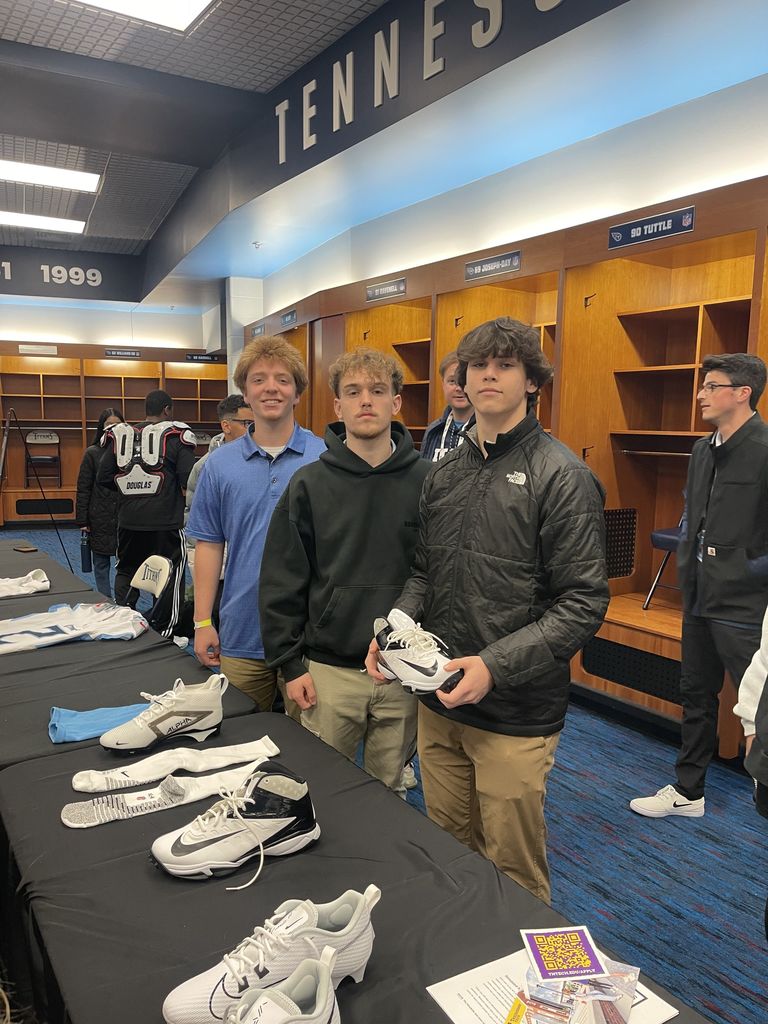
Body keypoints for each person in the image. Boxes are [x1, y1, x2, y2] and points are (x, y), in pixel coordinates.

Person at [367, 317, 609, 900]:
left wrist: (494, 667)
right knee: (448, 849)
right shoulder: (444, 473)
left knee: (516, 872)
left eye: (505, 365)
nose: (489, 376)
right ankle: (462, 972)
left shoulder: (563, 476)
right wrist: (394, 631)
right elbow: (424, 572)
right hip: (439, 698)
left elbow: (582, 602)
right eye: (478, 366)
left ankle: (543, 987)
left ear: (532, 381)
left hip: (515, 713)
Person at [259, 348, 431, 795]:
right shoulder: (309, 484)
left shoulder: (429, 482)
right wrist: (290, 665)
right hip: (327, 673)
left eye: (378, 391)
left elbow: (438, 573)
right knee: (322, 792)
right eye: (353, 392)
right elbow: (282, 580)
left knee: (390, 791)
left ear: (396, 403)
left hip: (403, 672)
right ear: (338, 406)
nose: (366, 402)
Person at [631, 353, 768, 819]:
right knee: (695, 695)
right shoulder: (701, 450)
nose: (701, 394)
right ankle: (689, 792)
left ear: (742, 392)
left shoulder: (766, 449)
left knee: (761, 705)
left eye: (711, 386)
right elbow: (693, 515)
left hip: (746, 605)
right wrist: (689, 566)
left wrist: (748, 570)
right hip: (700, 597)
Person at [186, 337, 325, 711]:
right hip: (241, 632)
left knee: (315, 752)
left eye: (282, 379)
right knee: (241, 742)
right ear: (245, 392)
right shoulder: (219, 465)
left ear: (297, 393)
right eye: (259, 379)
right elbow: (209, 546)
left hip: (309, 638)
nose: (271, 388)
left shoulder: (325, 458)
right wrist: (202, 622)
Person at [98, 388, 196, 638]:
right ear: (167, 410)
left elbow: (104, 477)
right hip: (166, 522)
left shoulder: (122, 436)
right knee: (170, 574)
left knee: (127, 569)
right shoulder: (177, 436)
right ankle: (165, 631)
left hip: (128, 521)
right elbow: (189, 479)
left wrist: (130, 492)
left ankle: (124, 619)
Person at [75, 408, 124, 598]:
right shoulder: (92, 453)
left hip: (123, 515)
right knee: (101, 563)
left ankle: (124, 603)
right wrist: (83, 521)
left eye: (118, 425)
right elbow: (83, 488)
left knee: (125, 564)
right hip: (99, 516)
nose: (113, 429)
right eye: (109, 425)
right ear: (101, 428)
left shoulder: (129, 453)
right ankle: (105, 600)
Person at [420, 350, 474, 461]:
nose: (459, 388)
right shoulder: (433, 431)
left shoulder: (487, 431)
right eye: (452, 381)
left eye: (465, 381)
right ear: (443, 384)